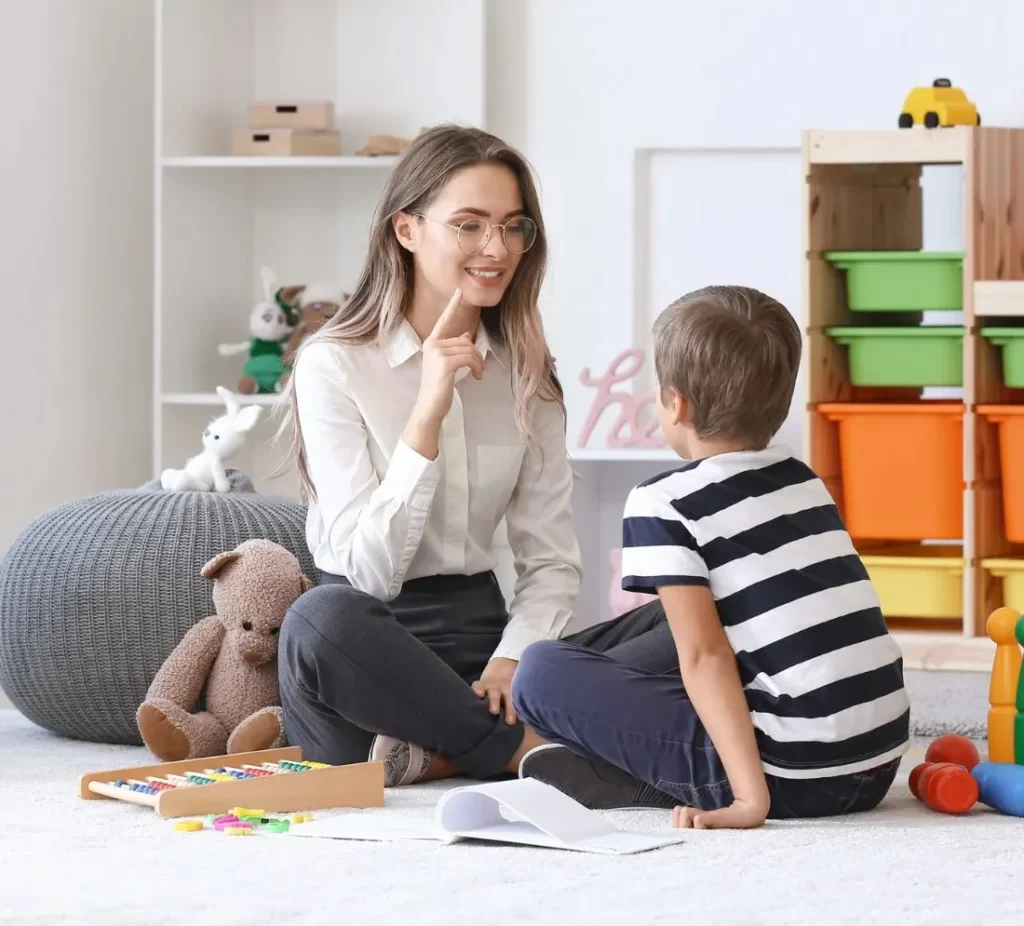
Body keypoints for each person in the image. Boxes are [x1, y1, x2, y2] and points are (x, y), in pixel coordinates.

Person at [275, 123, 673, 789]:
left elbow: (550, 562)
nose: (497, 248)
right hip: (368, 654)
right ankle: (525, 751)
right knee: (317, 620)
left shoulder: (527, 374)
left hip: (485, 652)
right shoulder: (334, 365)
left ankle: (448, 753)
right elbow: (368, 573)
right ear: (407, 230)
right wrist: (427, 410)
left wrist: (516, 658)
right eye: (469, 225)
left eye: (514, 227)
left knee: (699, 609)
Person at [511, 285, 911, 829]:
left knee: (538, 673)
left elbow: (705, 658)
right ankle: (595, 742)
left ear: (677, 403)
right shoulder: (805, 481)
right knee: (656, 621)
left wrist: (750, 801)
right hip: (879, 761)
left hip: (795, 776)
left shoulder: (662, 502)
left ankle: (626, 772)